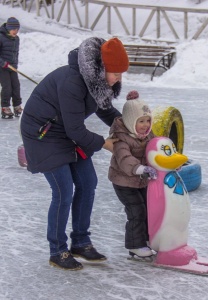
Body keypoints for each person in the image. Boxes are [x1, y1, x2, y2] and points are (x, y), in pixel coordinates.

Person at [20, 37, 129, 270]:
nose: (119, 78)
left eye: (121, 73)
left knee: (88, 182)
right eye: (115, 73)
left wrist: (128, 128)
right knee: (63, 190)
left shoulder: (97, 83)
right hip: (43, 134)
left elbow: (106, 110)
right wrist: (104, 143)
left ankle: (80, 242)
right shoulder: (73, 81)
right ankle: (57, 250)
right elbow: (76, 130)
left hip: (66, 132)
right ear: (100, 69)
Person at [108, 90, 157, 258]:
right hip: (124, 181)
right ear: (130, 121)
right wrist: (141, 169)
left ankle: (149, 239)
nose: (145, 125)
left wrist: (168, 162)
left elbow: (157, 150)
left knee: (149, 209)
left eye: (147, 120)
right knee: (137, 212)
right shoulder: (121, 138)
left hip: (141, 181)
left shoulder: (148, 134)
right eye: (140, 121)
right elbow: (124, 158)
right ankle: (135, 245)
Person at [0, 17, 23, 119]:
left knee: (16, 86)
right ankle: (5, 107)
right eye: (14, 29)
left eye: (17, 29)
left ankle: (17, 106)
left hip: (12, 67)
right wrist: (3, 63)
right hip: (2, 67)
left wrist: (15, 65)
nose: (15, 31)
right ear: (8, 28)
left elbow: (15, 54)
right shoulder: (1, 37)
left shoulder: (16, 39)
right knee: (7, 88)